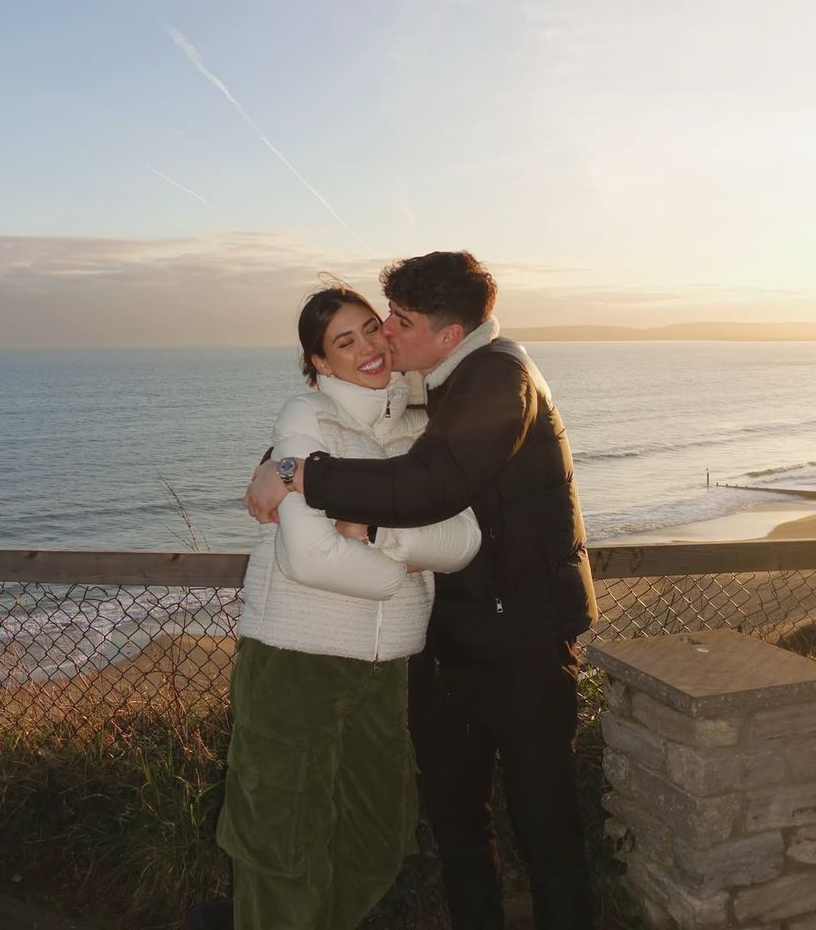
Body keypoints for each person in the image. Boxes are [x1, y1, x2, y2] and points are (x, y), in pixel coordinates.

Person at [244, 252, 599, 930]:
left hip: (522, 644)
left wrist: (300, 475)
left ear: (447, 332)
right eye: (377, 324)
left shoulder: (498, 381)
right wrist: (280, 452)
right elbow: (341, 408)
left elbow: (426, 486)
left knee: (546, 826)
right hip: (449, 644)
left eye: (398, 323)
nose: (384, 336)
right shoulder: (437, 377)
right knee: (457, 823)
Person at [197, 286, 481, 930]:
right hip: (297, 659)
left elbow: (465, 539)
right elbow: (310, 558)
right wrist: (399, 571)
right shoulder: (305, 420)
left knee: (378, 836)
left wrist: (376, 533)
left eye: (370, 330)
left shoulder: (421, 430)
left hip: (386, 666)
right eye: (342, 343)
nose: (367, 350)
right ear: (320, 363)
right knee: (282, 837)